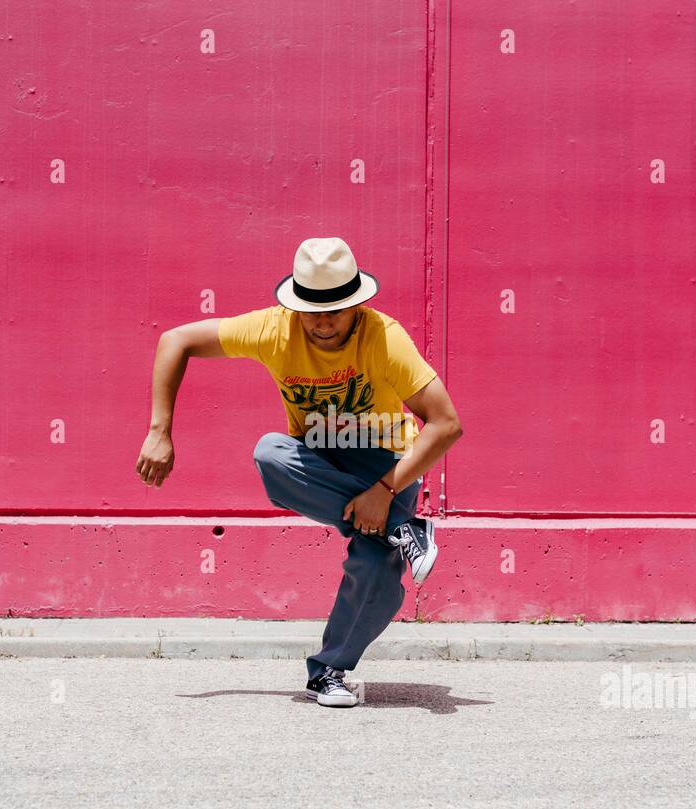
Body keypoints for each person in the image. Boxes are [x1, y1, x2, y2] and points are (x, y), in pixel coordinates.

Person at [136, 237, 463, 707]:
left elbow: (447, 423)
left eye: (337, 308)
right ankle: (404, 529)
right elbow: (176, 340)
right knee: (271, 454)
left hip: (389, 462)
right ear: (294, 303)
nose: (323, 321)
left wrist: (385, 489)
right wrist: (159, 430)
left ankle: (328, 670)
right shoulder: (273, 329)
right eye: (312, 308)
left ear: (357, 304)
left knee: (375, 569)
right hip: (319, 463)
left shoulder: (384, 337)